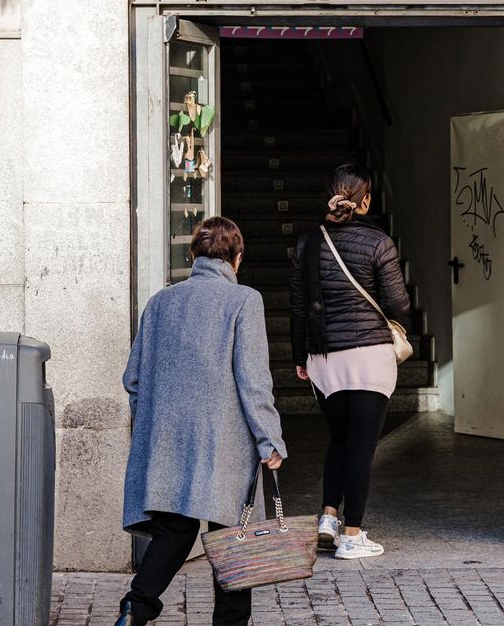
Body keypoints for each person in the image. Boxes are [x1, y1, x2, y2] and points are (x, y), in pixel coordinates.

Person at [117, 217, 286, 626]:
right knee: (234, 537)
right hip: (223, 444)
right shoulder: (244, 300)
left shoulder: (160, 302)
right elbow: (253, 380)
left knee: (175, 530)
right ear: (237, 258)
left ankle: (135, 608)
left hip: (168, 441)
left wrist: (154, 425)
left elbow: (133, 379)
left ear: (193, 255)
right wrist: (270, 439)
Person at [289, 163, 411, 560]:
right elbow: (397, 304)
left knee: (338, 440)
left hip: (324, 360)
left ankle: (327, 518)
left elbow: (297, 306)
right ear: (366, 200)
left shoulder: (308, 242)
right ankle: (353, 535)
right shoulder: (379, 243)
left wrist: (299, 356)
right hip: (370, 358)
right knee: (361, 447)